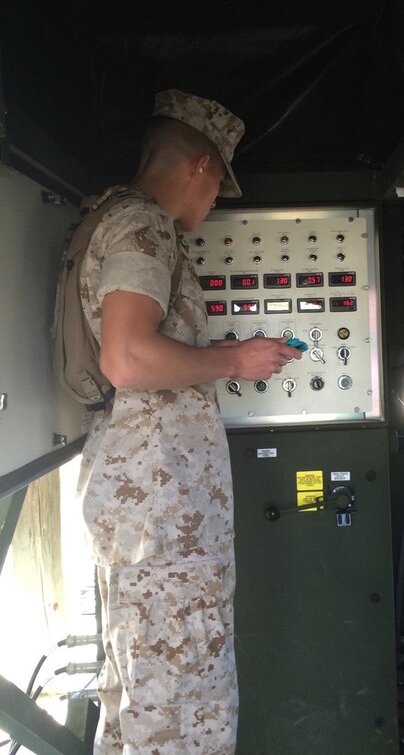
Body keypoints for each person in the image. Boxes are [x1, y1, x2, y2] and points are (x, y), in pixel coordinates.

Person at [76, 89, 301, 754]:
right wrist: (238, 358)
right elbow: (127, 356)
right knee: (180, 686)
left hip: (144, 489)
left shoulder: (112, 219)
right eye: (218, 186)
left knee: (144, 679)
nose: (215, 204)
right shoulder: (143, 227)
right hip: (159, 494)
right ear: (199, 165)